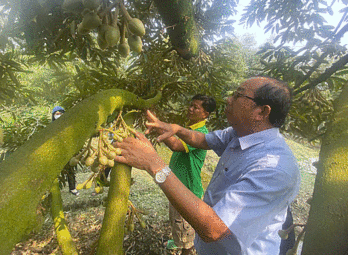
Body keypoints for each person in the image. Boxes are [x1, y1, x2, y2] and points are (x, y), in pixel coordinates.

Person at [113, 76, 300, 254]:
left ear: (261, 112)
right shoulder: (239, 133)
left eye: (238, 95)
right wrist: (176, 128)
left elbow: (214, 229)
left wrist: (153, 164)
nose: (228, 99)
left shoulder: (274, 168)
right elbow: (203, 140)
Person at [161, 94, 216, 254]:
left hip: (188, 190)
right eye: (190, 105)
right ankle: (178, 242)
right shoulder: (190, 129)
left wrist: (158, 127)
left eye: (196, 107)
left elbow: (176, 145)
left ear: (205, 114)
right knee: (177, 221)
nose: (190, 109)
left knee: (186, 234)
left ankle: (186, 248)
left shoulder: (200, 133)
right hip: (177, 186)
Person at [52, 106, 79, 196]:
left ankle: (72, 188)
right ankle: (54, 190)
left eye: (60, 114)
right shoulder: (52, 126)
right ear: (53, 115)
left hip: (68, 150)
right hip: (57, 151)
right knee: (55, 172)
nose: (59, 115)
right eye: (57, 114)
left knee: (70, 170)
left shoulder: (68, 124)